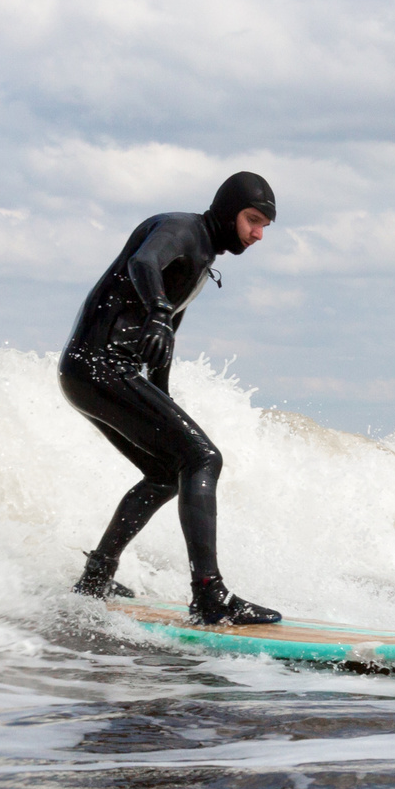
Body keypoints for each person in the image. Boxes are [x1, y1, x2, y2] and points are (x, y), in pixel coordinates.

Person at [60, 170, 281, 627]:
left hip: (90, 371)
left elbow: (164, 338)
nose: (257, 234)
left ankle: (96, 576)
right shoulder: (182, 229)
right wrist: (159, 311)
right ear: (227, 210)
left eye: (263, 226)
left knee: (168, 472)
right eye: (252, 220)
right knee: (203, 459)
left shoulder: (202, 258)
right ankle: (209, 597)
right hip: (98, 365)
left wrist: (161, 396)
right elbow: (144, 263)